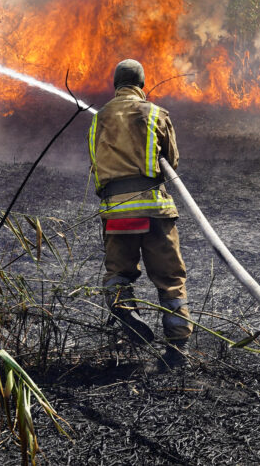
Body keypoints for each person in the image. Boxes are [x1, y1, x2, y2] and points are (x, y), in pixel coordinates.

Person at [87, 59, 193, 367]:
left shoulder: (98, 119)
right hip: (154, 211)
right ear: (142, 85)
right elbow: (172, 161)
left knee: (118, 273)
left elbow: (96, 165)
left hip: (117, 212)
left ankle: (124, 309)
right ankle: (177, 349)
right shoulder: (157, 114)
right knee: (170, 279)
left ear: (115, 85)